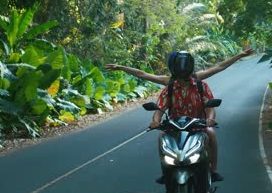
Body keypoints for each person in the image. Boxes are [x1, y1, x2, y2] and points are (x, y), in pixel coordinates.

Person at [149, 51, 224, 182]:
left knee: (211, 133)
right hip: (174, 127)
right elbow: (160, 109)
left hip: (198, 125)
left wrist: (210, 119)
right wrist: (156, 121)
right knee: (161, 137)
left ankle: (214, 170)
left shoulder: (201, 86)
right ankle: (165, 172)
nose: (182, 75)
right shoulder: (169, 88)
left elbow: (210, 107)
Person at [104, 49, 255, 85]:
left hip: (197, 123)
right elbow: (219, 67)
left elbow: (143, 74)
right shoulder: (171, 81)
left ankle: (213, 167)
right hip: (175, 124)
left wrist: (239, 55)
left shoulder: (168, 80)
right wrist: (122, 67)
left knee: (211, 136)